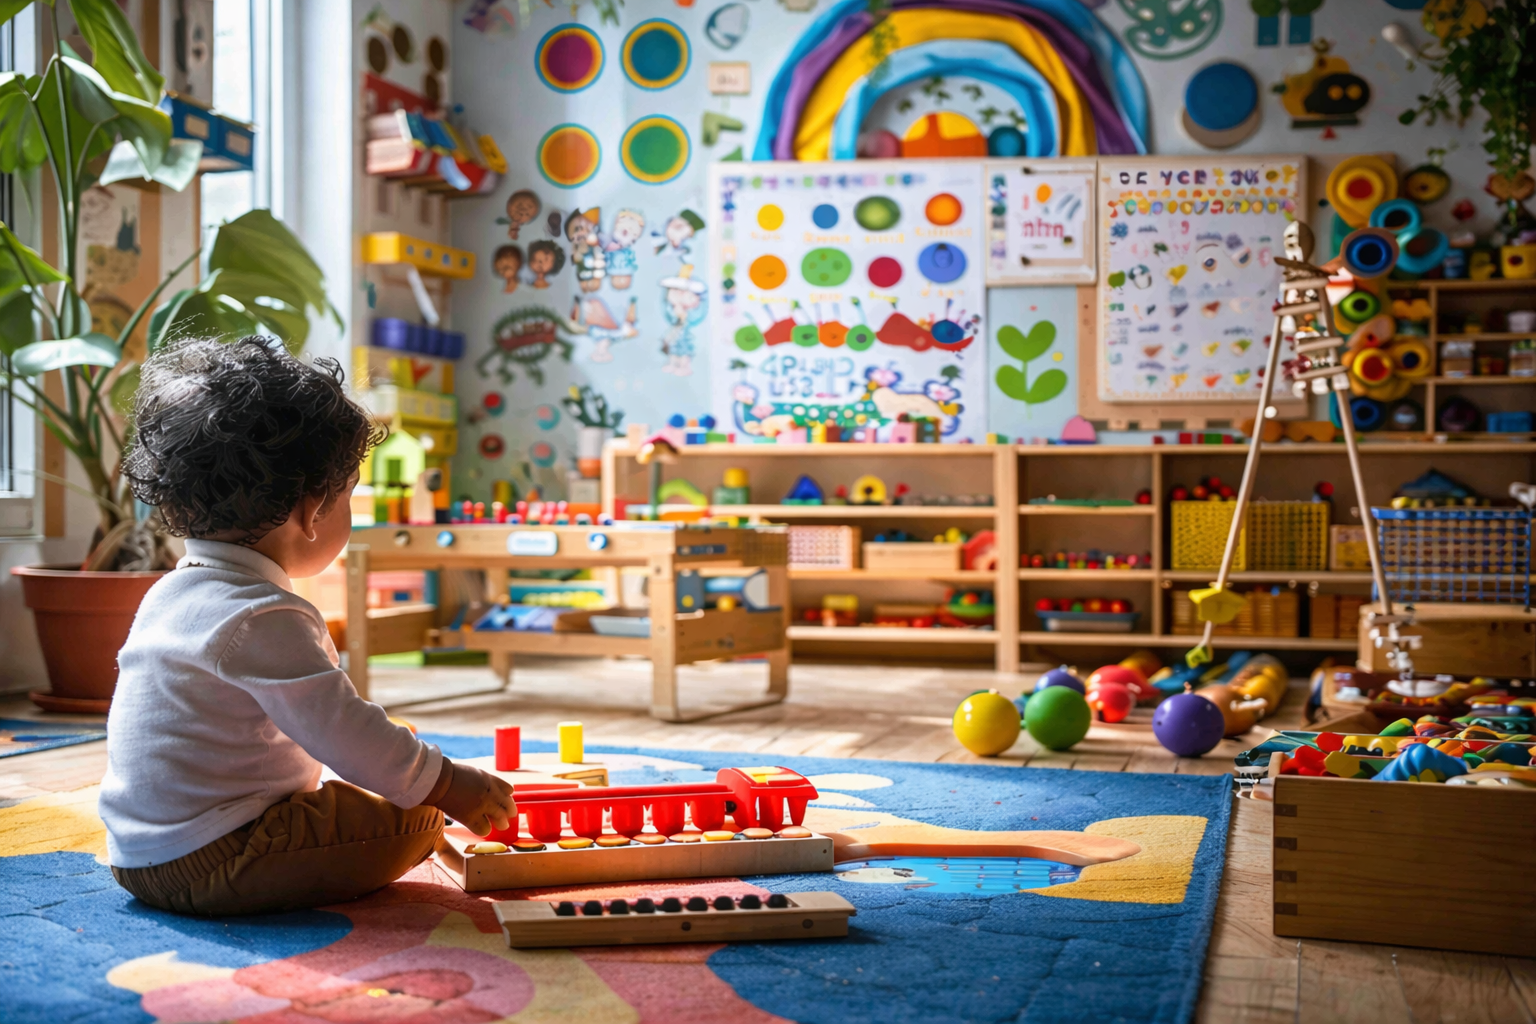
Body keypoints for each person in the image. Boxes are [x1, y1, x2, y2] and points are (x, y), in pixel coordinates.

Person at [105, 337, 515, 916]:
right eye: (350, 498)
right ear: (313, 510)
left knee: (386, 765)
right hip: (223, 857)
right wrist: (449, 785)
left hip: (137, 854)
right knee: (419, 814)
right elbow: (341, 729)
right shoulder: (264, 615)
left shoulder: (170, 592)